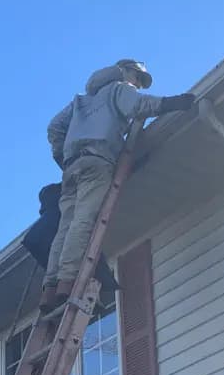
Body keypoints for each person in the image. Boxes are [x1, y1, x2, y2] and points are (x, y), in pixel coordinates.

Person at [39, 59, 196, 313]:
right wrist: (173, 103)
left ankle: (49, 287)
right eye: (138, 78)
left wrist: (62, 156)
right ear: (125, 71)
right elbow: (139, 106)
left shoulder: (81, 101)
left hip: (72, 167)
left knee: (65, 226)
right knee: (83, 220)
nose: (138, 84)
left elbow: (54, 128)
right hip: (98, 159)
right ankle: (66, 282)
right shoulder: (120, 88)